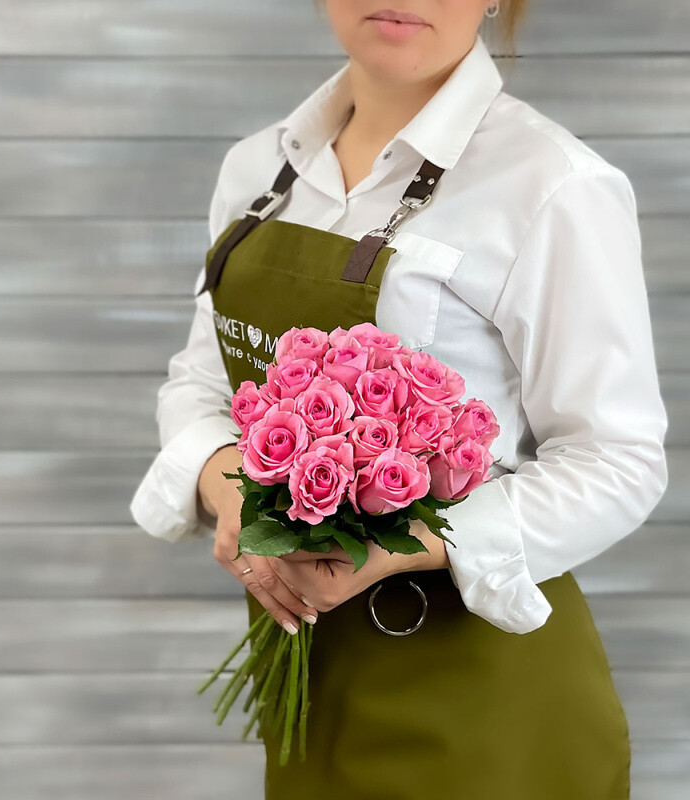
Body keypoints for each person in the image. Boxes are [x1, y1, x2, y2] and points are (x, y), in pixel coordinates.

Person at [131, 2, 668, 797]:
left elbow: (618, 460)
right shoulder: (256, 170)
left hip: (486, 708)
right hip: (313, 691)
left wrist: (407, 542)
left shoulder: (553, 186)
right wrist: (226, 483)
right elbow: (203, 382)